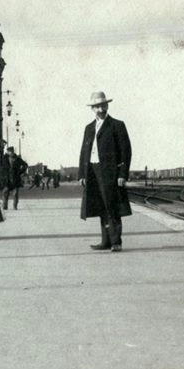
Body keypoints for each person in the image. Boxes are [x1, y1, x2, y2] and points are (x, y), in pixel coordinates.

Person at [79, 91, 132, 252]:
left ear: (107, 105)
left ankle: (116, 242)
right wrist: (82, 174)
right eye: (97, 106)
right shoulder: (89, 128)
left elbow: (126, 151)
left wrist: (123, 174)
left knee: (112, 206)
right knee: (101, 206)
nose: (101, 109)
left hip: (110, 173)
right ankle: (105, 241)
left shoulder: (117, 125)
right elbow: (83, 152)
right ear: (92, 109)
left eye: (103, 105)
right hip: (93, 171)